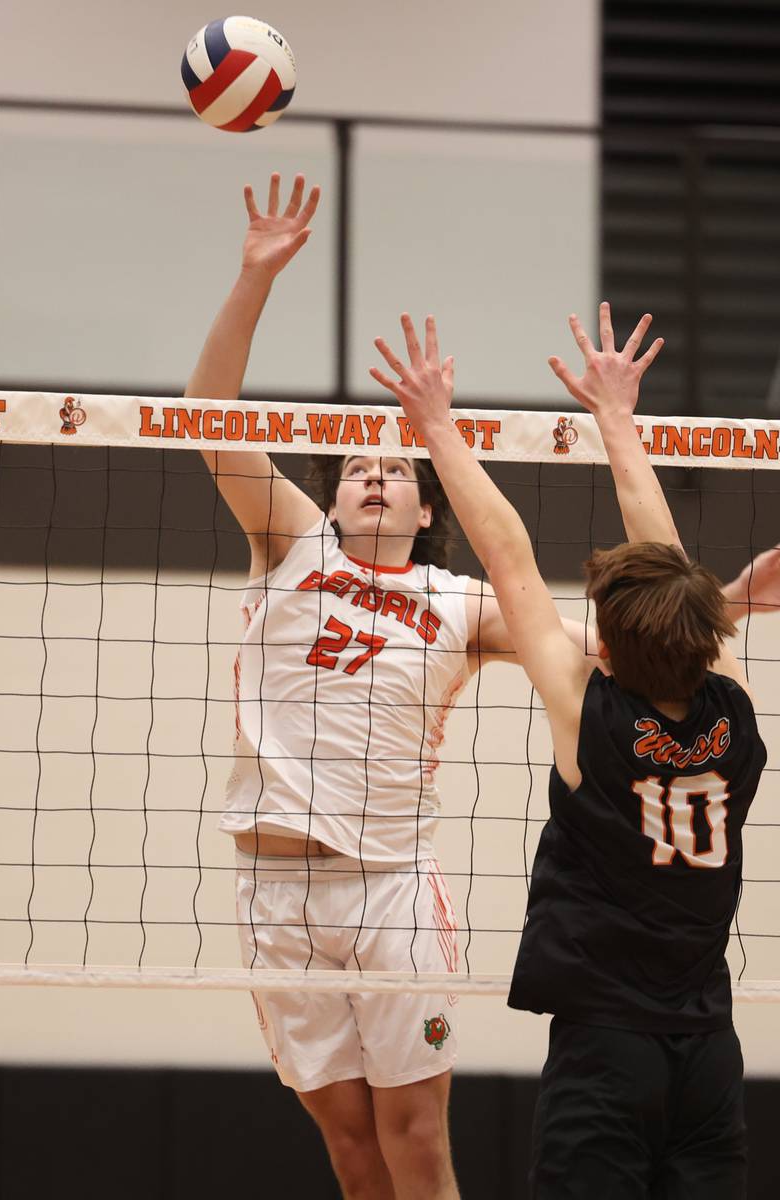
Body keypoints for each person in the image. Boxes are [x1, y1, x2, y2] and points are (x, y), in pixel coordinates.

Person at [186, 173, 596, 1200]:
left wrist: (722, 599)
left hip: (390, 889)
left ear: (423, 509)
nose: (372, 476)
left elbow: (600, 642)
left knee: (415, 1139)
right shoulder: (291, 544)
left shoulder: (459, 601)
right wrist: (253, 279)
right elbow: (205, 415)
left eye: (396, 471)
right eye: (357, 468)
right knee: (349, 1150)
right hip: (271, 888)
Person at [371, 303, 767, 1198]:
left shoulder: (592, 717)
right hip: (709, 1049)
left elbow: (506, 552)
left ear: (609, 647)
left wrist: (434, 425)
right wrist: (619, 421)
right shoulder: (736, 719)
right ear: (707, 637)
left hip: (606, 1051)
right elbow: (665, 558)